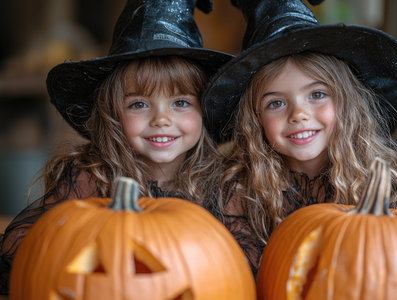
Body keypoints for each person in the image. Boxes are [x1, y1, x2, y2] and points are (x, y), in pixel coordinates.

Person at [0, 0, 233, 294]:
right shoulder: (90, 177)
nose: (161, 119)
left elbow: (240, 267)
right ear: (113, 113)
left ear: (205, 111)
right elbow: (21, 248)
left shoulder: (224, 185)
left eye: (180, 103)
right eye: (139, 104)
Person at [202, 0, 397, 276]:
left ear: (346, 103)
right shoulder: (238, 193)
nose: (299, 114)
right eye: (276, 103)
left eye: (317, 94)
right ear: (255, 119)